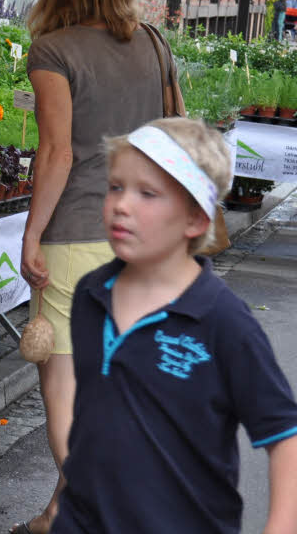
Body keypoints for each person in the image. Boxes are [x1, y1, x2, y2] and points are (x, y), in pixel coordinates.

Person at [51, 117, 297, 533]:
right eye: (116, 186)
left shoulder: (225, 323)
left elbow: (284, 435)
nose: (122, 204)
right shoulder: (91, 295)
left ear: (196, 221)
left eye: (147, 193)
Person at [12, 0, 166, 534]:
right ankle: (59, 511)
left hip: (77, 231)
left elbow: (57, 153)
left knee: (67, 383)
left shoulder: (55, 49)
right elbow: (174, 131)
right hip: (143, 239)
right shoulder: (154, 43)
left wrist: (30, 234)